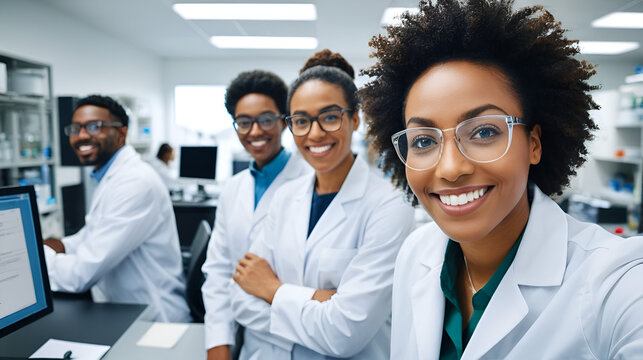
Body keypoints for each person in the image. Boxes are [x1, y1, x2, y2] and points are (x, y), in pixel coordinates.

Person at [360, 0, 643, 359]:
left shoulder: (615, 283)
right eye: (423, 140)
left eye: (483, 132)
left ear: (534, 144)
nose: (449, 168)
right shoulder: (415, 253)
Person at [229, 49, 414, 359]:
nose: (314, 134)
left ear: (355, 119)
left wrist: (272, 290)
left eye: (329, 117)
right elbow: (240, 297)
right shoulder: (285, 197)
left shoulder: (390, 205)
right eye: (301, 120)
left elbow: (345, 334)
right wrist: (323, 302)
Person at [44, 95, 190, 322]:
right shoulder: (110, 177)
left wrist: (37, 260)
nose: (81, 135)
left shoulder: (134, 182)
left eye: (94, 126)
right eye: (75, 128)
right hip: (126, 311)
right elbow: (92, 234)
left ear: (121, 134)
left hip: (155, 322)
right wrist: (60, 245)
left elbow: (82, 273)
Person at [201, 70, 311, 360]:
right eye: (244, 122)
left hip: (304, 342)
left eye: (265, 120)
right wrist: (218, 344)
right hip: (251, 344)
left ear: (284, 122)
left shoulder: (311, 181)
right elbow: (218, 270)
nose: (254, 132)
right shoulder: (232, 189)